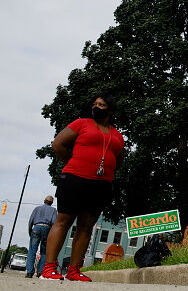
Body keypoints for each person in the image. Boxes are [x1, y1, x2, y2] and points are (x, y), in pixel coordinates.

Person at [40, 93, 124, 281]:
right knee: (64, 221)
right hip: (74, 179)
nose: (95, 107)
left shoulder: (117, 135)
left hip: (101, 184)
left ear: (110, 110)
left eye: (101, 104)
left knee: (86, 227)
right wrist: (73, 161)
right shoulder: (82, 123)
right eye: (94, 104)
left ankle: (74, 270)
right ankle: (48, 268)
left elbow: (118, 160)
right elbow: (58, 144)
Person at [25, 196, 57, 278]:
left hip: (36, 228)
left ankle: (29, 272)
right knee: (44, 252)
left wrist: (30, 232)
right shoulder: (53, 210)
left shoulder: (37, 209)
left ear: (44, 201)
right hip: (47, 229)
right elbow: (54, 223)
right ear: (51, 203)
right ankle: (40, 272)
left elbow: (30, 221)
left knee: (32, 251)